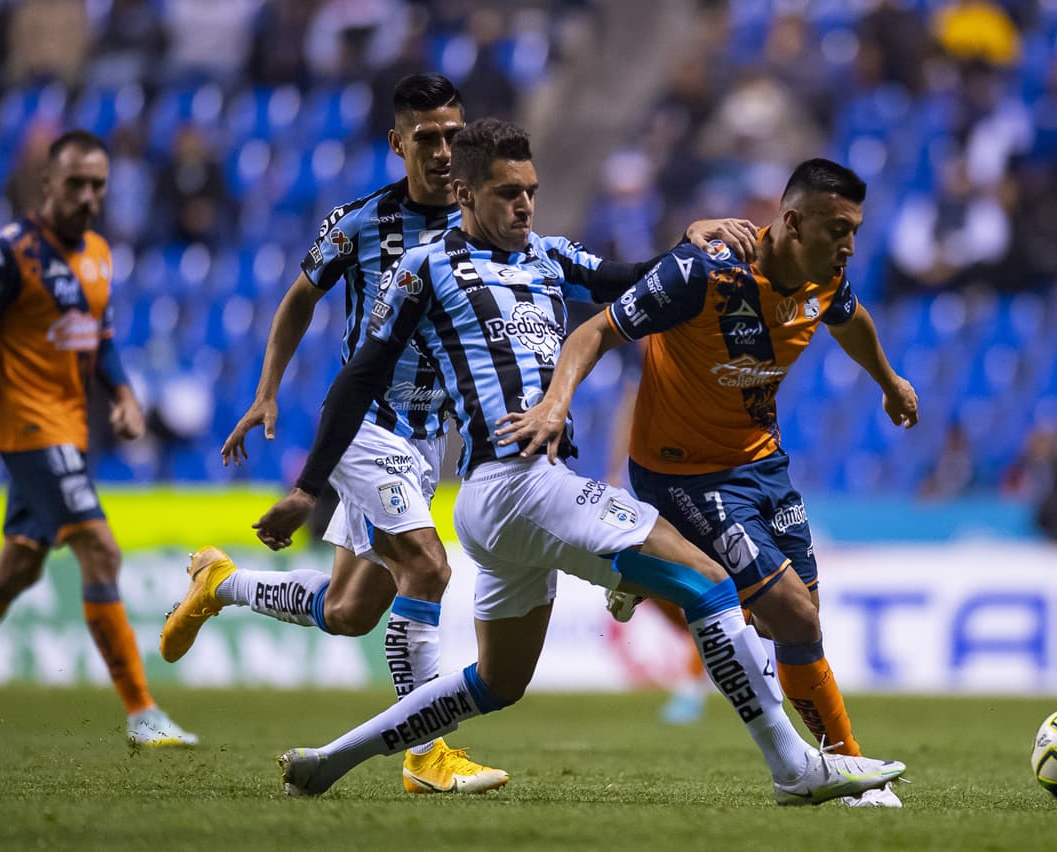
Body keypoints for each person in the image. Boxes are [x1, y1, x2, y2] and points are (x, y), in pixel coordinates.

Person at [250, 118, 905, 803]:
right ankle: (794, 768)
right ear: (465, 193)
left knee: (497, 684)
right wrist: (309, 488)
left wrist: (693, 237)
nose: (526, 206)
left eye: (531, 191)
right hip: (510, 482)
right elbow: (358, 377)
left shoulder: (547, 255)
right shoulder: (425, 268)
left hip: (516, 498)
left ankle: (329, 759)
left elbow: (641, 283)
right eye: (508, 194)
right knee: (709, 586)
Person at [162, 74, 760, 794]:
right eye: (427, 139)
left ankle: (221, 584)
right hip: (366, 425)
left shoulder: (500, 230)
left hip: (427, 439)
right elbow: (299, 302)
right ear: (398, 143)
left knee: (351, 612)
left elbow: (617, 280)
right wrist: (267, 395)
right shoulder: (361, 225)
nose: (443, 151)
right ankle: (426, 756)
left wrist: (685, 241)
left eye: (453, 135)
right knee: (430, 568)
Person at [497, 158, 919, 807]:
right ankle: (851, 775)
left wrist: (888, 381)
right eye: (838, 228)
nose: (849, 245)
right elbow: (597, 329)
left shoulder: (827, 275)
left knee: (794, 625)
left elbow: (850, 319)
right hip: (681, 471)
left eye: (855, 230)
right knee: (792, 612)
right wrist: (556, 403)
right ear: (793, 220)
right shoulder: (706, 271)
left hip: (761, 466)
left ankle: (641, 571)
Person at [0, 130, 195, 748]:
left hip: (72, 430)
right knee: (102, 550)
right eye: (75, 184)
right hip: (26, 427)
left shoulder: (98, 251)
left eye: (98, 185)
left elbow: (102, 343)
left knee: (17, 567)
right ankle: (142, 713)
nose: (88, 196)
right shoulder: (11, 253)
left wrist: (122, 394)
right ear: (48, 186)